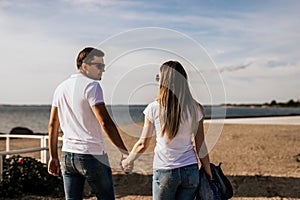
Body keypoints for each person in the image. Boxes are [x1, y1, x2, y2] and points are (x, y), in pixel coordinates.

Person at [121, 60, 213, 200]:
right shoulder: (196, 108)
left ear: (163, 81)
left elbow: (142, 144)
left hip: (165, 170)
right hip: (190, 170)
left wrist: (128, 161)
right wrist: (209, 172)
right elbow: (200, 145)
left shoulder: (153, 108)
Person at [48, 47, 129, 200]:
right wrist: (124, 152)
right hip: (92, 155)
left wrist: (53, 156)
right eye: (99, 66)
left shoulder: (61, 88)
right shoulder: (92, 86)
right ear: (84, 66)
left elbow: (53, 124)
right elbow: (105, 123)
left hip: (67, 156)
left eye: (103, 66)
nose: (103, 70)